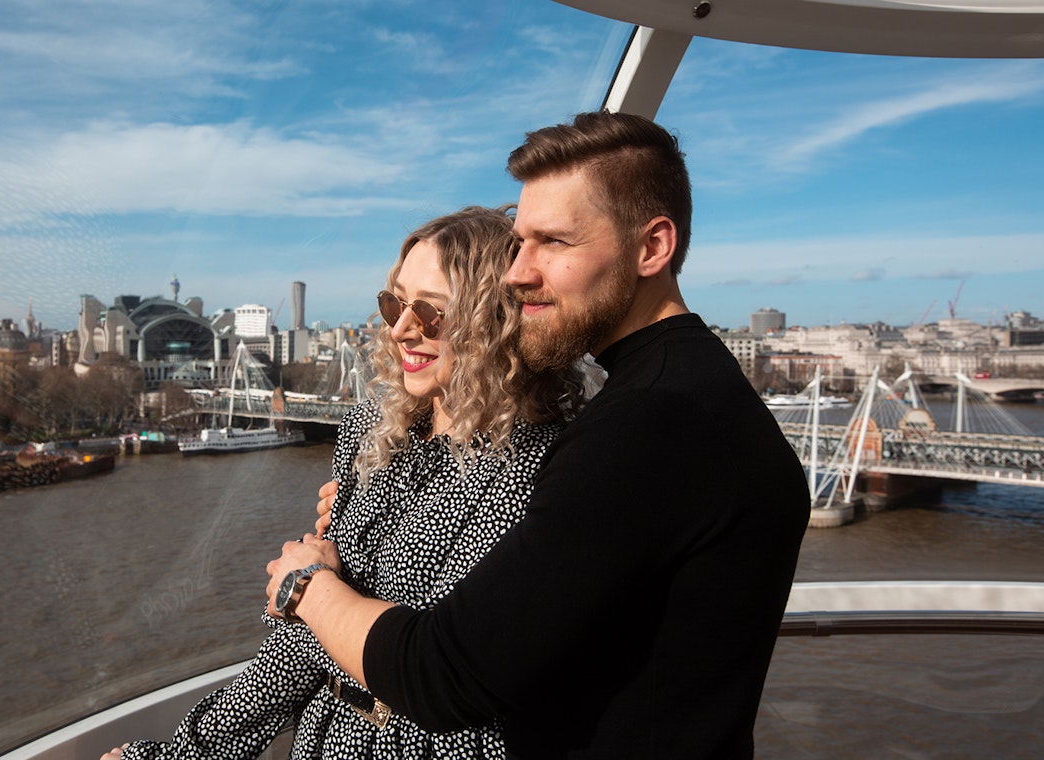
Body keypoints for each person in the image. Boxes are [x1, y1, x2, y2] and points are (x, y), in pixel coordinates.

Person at [267, 111, 810, 758]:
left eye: (552, 242)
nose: (519, 272)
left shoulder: (650, 424)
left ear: (651, 248)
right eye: (520, 242)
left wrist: (309, 587)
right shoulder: (686, 391)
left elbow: (445, 675)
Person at [104, 205, 583, 760]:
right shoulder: (371, 430)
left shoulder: (539, 468)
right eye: (395, 303)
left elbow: (446, 668)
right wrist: (184, 752)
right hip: (327, 738)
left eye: (431, 312)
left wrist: (310, 588)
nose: (401, 328)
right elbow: (307, 644)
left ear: (496, 320)